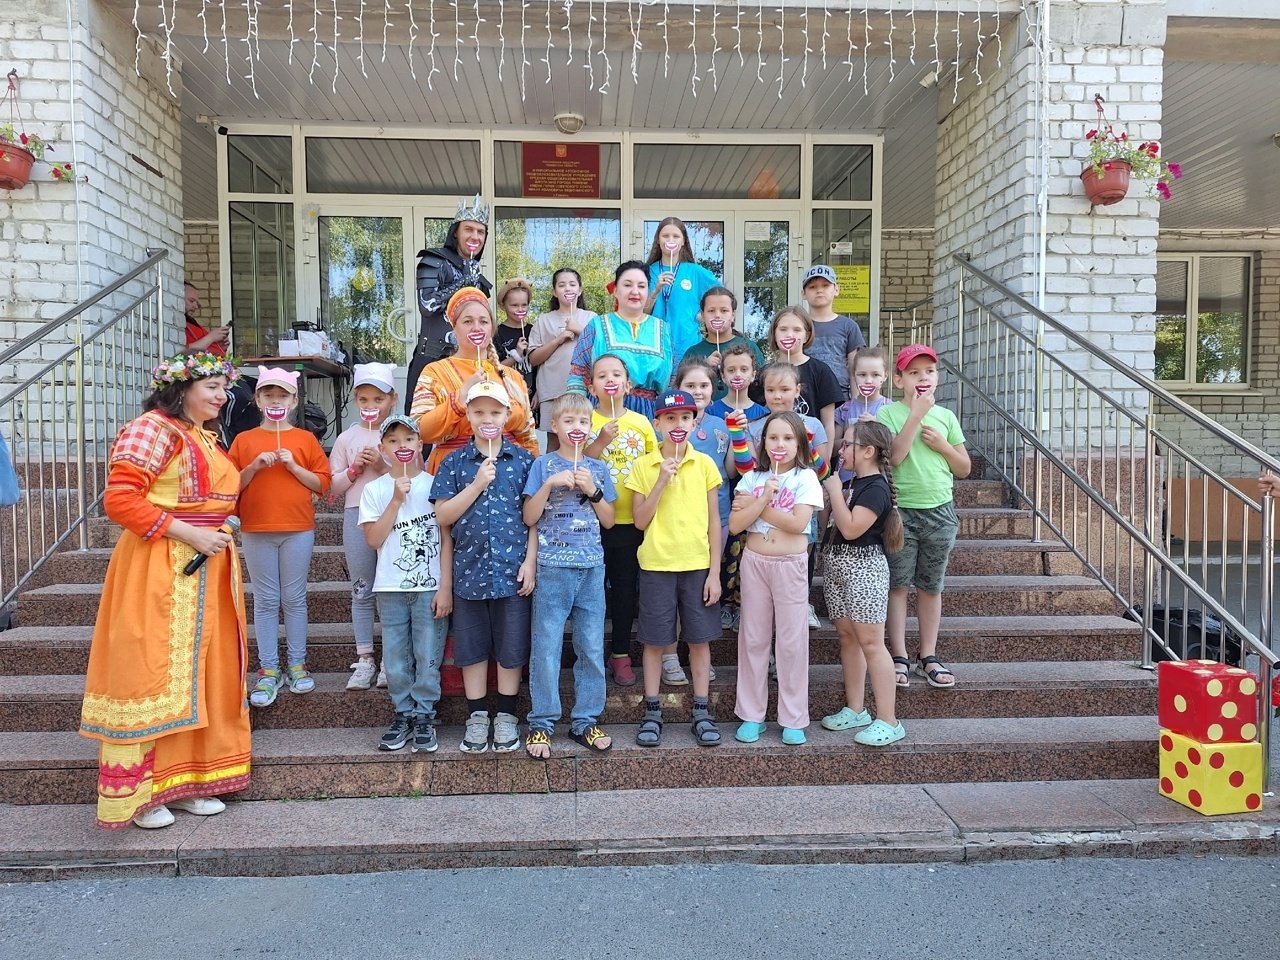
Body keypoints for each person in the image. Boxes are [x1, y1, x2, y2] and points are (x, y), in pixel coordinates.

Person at [79, 351, 250, 829]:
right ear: (181, 389)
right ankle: (143, 794)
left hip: (208, 567)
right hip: (160, 566)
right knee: (151, 673)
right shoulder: (152, 428)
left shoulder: (203, 436)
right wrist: (191, 533)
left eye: (224, 388)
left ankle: (188, 781)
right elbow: (120, 499)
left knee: (205, 674)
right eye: (212, 387)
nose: (222, 396)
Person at [432, 380, 537, 754]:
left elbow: (534, 519)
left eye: (495, 412)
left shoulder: (524, 461)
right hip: (469, 571)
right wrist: (477, 485)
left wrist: (531, 562)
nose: (487, 419)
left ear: (507, 415)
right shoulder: (454, 463)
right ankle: (476, 715)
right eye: (479, 412)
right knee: (472, 646)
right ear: (468, 416)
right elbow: (443, 517)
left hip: (512, 572)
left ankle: (506, 714)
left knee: (512, 645)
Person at [228, 367, 332, 708]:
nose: (276, 401)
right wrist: (253, 467)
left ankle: (297, 664)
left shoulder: (305, 439)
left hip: (297, 528)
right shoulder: (244, 441)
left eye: (282, 396)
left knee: (295, 598)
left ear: (294, 401)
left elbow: (323, 483)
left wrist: (294, 466)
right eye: (269, 395)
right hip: (256, 528)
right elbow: (229, 486)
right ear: (258, 401)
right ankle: (269, 668)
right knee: (266, 600)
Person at [522, 394, 617, 759]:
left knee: (590, 646)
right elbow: (529, 517)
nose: (577, 428)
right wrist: (550, 485)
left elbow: (609, 520)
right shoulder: (542, 465)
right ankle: (542, 722)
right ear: (555, 426)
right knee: (546, 647)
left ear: (590, 427)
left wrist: (593, 491)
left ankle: (586, 720)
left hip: (591, 568)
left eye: (583, 422)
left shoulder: (598, 469)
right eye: (569, 421)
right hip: (552, 568)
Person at [627, 390, 723, 748]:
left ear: (694, 423)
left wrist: (715, 573)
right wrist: (661, 481)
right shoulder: (644, 466)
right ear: (658, 424)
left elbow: (715, 522)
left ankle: (701, 710)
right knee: (655, 641)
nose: (678, 424)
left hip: (697, 565)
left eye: (685, 417)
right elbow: (639, 520)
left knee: (699, 640)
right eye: (670, 418)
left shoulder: (705, 464)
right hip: (657, 564)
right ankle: (652, 710)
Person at [877, 344, 971, 690]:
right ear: (899, 380)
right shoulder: (888, 414)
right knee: (898, 585)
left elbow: (964, 468)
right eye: (913, 372)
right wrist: (915, 416)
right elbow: (894, 457)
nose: (922, 377)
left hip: (940, 511)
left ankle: (928, 655)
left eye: (928, 371)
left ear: (937, 377)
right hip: (901, 511)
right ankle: (899, 655)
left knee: (931, 587)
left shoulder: (946, 417)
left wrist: (944, 446)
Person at [730, 411, 825, 745]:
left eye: (787, 438)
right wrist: (760, 497)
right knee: (753, 639)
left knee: (791, 641)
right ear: (763, 442)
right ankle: (751, 714)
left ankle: (793, 717)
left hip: (790, 564)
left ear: (799, 443)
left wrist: (760, 505)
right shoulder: (752, 478)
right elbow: (735, 525)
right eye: (773, 438)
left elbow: (798, 524)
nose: (779, 444)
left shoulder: (806, 478)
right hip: (755, 563)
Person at [359, 415, 452, 754]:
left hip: (429, 586)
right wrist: (396, 500)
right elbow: (373, 539)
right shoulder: (375, 489)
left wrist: (445, 586)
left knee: (428, 654)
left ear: (420, 445)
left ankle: (425, 714)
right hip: (391, 587)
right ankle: (403, 713)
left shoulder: (435, 485)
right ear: (383, 448)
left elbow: (446, 538)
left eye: (409, 439)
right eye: (394, 441)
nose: (402, 446)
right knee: (396, 658)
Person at [821, 420, 906, 746]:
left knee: (871, 643)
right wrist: (832, 496)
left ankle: (889, 720)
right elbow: (832, 523)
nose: (841, 450)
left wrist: (834, 493)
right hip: (837, 565)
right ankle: (856, 709)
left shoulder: (875, 488)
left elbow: (852, 528)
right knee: (848, 638)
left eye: (848, 445)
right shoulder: (852, 483)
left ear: (868, 451)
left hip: (864, 569)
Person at [582, 354, 657, 686]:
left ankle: (621, 653)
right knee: (592, 593)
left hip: (630, 523)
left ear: (628, 385)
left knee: (625, 591)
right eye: (602, 376)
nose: (609, 380)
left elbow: (653, 466)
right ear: (591, 386)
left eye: (616, 375)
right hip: (592, 522)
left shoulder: (641, 423)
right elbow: (576, 463)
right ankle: (590, 653)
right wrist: (600, 441)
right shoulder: (585, 420)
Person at [658, 358, 732, 687]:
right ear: (678, 388)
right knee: (673, 593)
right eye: (690, 385)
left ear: (714, 390)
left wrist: (740, 435)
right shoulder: (665, 425)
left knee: (702, 591)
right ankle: (670, 654)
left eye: (704, 385)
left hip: (716, 517)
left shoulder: (722, 425)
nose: (698, 391)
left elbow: (732, 470)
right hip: (673, 522)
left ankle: (698, 654)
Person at [411, 287, 539, 474]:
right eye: (468, 321)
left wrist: (534, 476)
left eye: (483, 321)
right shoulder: (435, 372)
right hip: (454, 474)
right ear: (454, 328)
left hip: (511, 473)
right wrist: (460, 398)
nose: (477, 328)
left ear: (492, 328)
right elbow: (420, 431)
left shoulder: (512, 377)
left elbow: (528, 437)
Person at [328, 362, 397, 691]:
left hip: (393, 515)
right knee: (361, 587)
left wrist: (382, 464)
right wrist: (354, 469)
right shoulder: (346, 438)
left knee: (390, 588)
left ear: (392, 399)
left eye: (378, 399)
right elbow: (333, 487)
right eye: (364, 399)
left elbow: (410, 476)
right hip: (356, 514)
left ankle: (390, 660)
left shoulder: (399, 433)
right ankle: (365, 657)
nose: (371, 406)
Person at [405, 195, 493, 413]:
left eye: (480, 231)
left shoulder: (478, 277)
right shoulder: (433, 261)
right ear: (456, 232)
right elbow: (427, 306)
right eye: (468, 229)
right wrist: (464, 281)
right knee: (424, 424)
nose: (475, 236)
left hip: (468, 363)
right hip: (432, 359)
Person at [567, 261, 675, 419]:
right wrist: (575, 415)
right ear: (616, 290)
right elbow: (578, 373)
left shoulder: (662, 329)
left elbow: (672, 380)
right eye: (627, 285)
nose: (635, 291)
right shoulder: (597, 325)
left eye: (641, 286)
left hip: (649, 415)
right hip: (602, 412)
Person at [760, 305, 842, 463]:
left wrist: (825, 465)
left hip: (809, 457)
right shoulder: (765, 374)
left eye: (797, 330)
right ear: (774, 334)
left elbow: (828, 423)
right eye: (783, 329)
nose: (789, 334)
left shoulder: (821, 371)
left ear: (806, 335)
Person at [527, 268, 595, 447]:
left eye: (572, 284)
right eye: (562, 285)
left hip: (585, 390)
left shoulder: (591, 318)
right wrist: (558, 340)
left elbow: (602, 349)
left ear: (580, 290)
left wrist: (579, 330)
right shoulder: (543, 320)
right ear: (554, 291)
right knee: (554, 441)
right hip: (552, 391)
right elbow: (533, 359)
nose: (568, 289)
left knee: (584, 440)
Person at [643, 217, 721, 359]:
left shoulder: (696, 272)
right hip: (653, 345)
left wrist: (703, 315)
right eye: (665, 236)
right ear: (658, 240)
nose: (670, 240)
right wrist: (656, 291)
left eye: (676, 236)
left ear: (683, 241)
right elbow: (641, 313)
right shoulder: (647, 272)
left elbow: (722, 299)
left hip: (688, 345)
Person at [678, 287, 765, 400]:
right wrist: (704, 367)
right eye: (711, 311)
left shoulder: (749, 347)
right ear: (703, 315)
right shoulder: (693, 352)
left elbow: (762, 385)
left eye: (724, 310)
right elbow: (682, 389)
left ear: (733, 315)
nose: (717, 315)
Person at [801, 265, 866, 396]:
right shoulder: (799, 325)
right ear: (803, 294)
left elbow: (855, 371)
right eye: (812, 287)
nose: (819, 290)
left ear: (836, 289)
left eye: (825, 285)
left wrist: (855, 403)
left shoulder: (849, 326)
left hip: (840, 395)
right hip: (806, 395)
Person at [495, 278, 536, 400]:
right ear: (503, 306)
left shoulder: (534, 330)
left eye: (524, 305)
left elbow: (541, 366)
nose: (520, 309)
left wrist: (540, 393)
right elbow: (496, 368)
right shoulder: (497, 333)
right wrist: (516, 354)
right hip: (507, 396)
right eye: (514, 305)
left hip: (533, 397)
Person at [183, 282, 229, 356]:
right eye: (191, 301)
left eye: (196, 303)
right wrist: (211, 338)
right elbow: (180, 352)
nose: (196, 306)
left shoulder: (191, 323)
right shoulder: (177, 325)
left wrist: (217, 346)